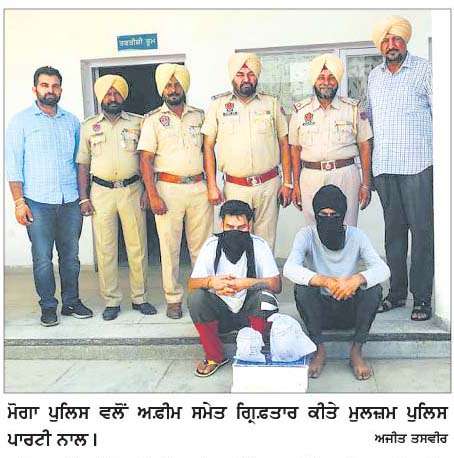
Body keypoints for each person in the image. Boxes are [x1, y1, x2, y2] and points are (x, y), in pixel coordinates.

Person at [5, 66, 92, 326]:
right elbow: (13, 165)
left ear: (61, 90)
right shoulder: (21, 122)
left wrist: (83, 197)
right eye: (45, 85)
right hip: (37, 203)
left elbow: (80, 163)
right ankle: (48, 306)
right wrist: (19, 202)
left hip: (69, 202)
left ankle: (71, 302)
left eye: (55, 86)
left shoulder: (72, 122)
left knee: (71, 257)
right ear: (35, 89)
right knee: (43, 259)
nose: (50, 90)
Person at [283, 185, 390, 380]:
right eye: (323, 215)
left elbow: (383, 269)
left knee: (373, 289)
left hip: (349, 310)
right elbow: (289, 268)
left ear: (343, 215)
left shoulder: (357, 236)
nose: (329, 219)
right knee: (302, 289)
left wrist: (356, 279)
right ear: (316, 215)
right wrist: (324, 281)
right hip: (321, 311)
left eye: (334, 215)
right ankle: (319, 350)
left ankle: (356, 351)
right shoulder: (306, 235)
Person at [367, 16, 433, 321]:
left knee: (422, 234)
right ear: (380, 46)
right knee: (393, 235)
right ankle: (396, 294)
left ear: (405, 41)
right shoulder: (374, 76)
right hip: (385, 167)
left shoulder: (424, 70)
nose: (391, 45)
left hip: (418, 165)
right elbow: (370, 120)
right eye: (386, 40)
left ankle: (422, 298)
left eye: (396, 39)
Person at [77, 74, 155, 321]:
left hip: (132, 190)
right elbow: (82, 163)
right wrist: (83, 198)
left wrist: (148, 190)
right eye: (108, 93)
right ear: (101, 97)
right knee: (106, 249)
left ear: (123, 96)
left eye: (117, 93)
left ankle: (140, 297)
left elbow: (147, 159)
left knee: (137, 246)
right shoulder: (88, 126)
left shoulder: (138, 122)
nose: (113, 97)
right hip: (100, 193)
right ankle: (111, 301)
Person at [138, 64, 213, 319]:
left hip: (199, 188)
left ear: (184, 87)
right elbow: (146, 159)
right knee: (169, 247)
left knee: (201, 247)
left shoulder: (199, 116)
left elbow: (209, 152)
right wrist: (152, 194)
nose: (173, 89)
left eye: (177, 84)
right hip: (167, 189)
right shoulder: (153, 120)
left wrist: (212, 185)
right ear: (162, 90)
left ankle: (202, 295)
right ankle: (173, 299)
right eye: (168, 85)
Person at [202, 52, 292, 251]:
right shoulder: (218, 106)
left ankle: (263, 273)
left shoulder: (271, 103)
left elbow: (284, 143)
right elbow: (207, 146)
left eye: (251, 74)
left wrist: (287, 182)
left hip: (268, 184)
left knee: (265, 243)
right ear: (232, 77)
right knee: (236, 241)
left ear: (257, 77)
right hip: (236, 186)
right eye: (240, 74)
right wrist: (211, 185)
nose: (246, 79)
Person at [188, 200, 281, 377]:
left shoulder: (259, 245)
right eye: (230, 227)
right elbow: (192, 283)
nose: (235, 232)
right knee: (196, 298)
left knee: (265, 298)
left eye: (241, 227)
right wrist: (212, 282)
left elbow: (276, 285)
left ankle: (255, 353)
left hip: (250, 313)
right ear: (221, 224)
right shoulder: (211, 245)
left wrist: (246, 283)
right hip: (221, 315)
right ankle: (214, 356)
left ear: (250, 226)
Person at [289, 53, 373, 226]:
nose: (326, 82)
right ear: (314, 81)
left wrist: (366, 184)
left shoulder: (353, 109)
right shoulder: (300, 111)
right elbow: (295, 149)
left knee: (347, 226)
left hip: (345, 175)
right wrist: (295, 184)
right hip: (310, 176)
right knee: (314, 228)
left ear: (338, 81)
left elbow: (365, 146)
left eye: (331, 78)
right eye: (321, 77)